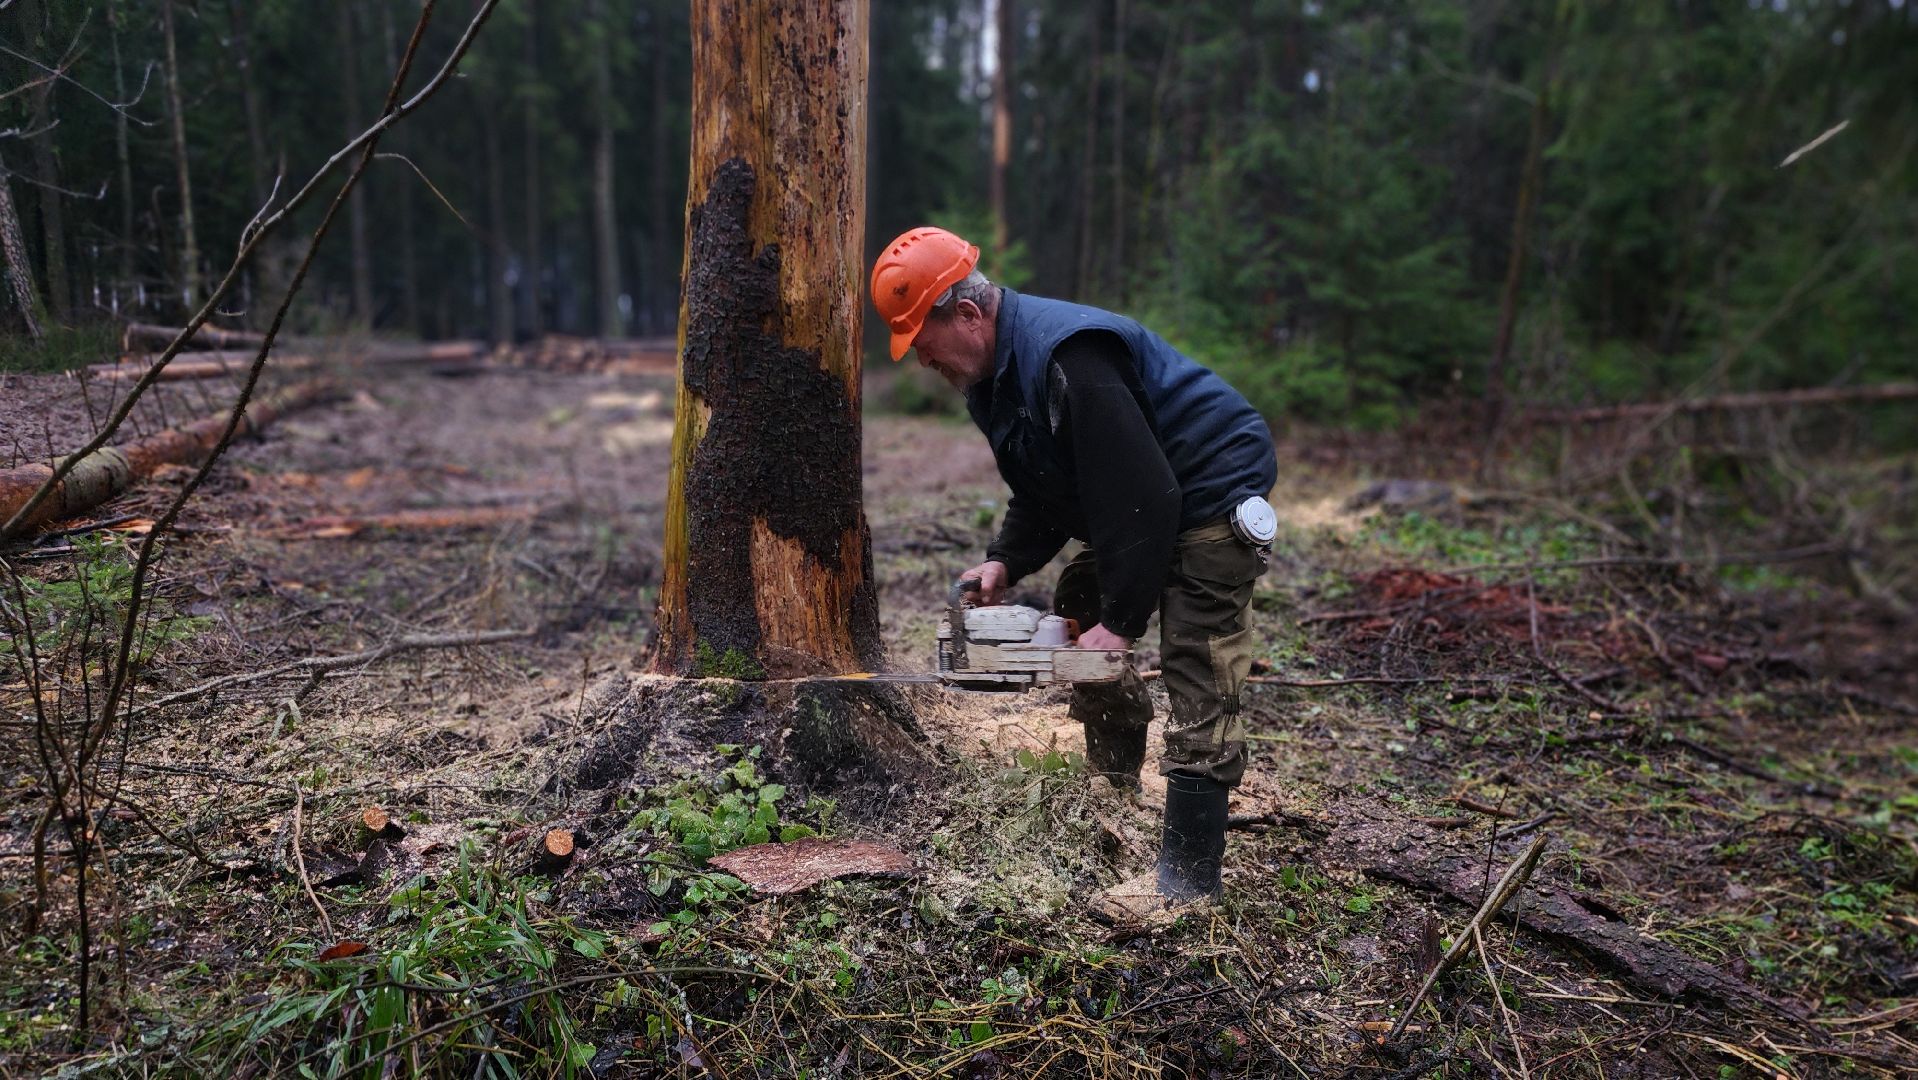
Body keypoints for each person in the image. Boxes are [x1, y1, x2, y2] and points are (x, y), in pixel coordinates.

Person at [870, 226, 1279, 919]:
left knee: (1199, 662)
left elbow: (1144, 497)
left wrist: (1122, 625)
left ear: (967, 314)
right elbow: (1045, 486)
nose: (924, 363)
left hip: (1206, 492)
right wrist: (1006, 558)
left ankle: (1188, 884)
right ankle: (1113, 781)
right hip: (1148, 493)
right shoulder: (991, 379)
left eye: (925, 343)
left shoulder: (1070, 359)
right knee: (1078, 596)